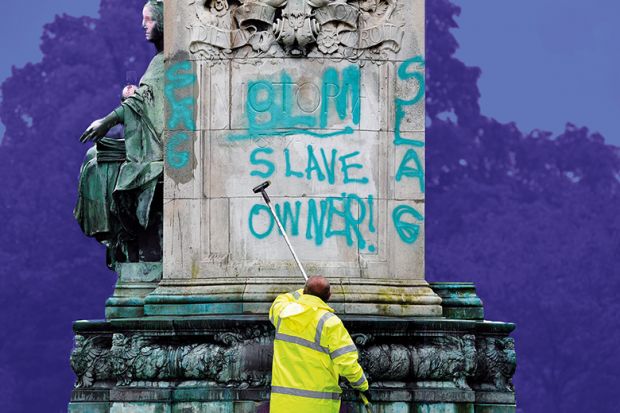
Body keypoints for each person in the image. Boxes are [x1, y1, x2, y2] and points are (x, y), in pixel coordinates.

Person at [75, 0, 164, 264]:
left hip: (155, 148)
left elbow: (147, 106)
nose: (143, 25)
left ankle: (123, 241)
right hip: (147, 143)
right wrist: (134, 98)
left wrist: (108, 120)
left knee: (97, 164)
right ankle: (122, 244)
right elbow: (147, 103)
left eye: (149, 19)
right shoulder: (159, 60)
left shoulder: (166, 60)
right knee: (94, 155)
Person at [269, 276, 369, 413]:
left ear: (305, 291)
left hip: (284, 405)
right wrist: (362, 386)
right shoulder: (330, 323)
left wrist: (303, 292)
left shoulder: (283, 315)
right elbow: (347, 363)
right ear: (329, 296)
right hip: (319, 405)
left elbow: (281, 299)